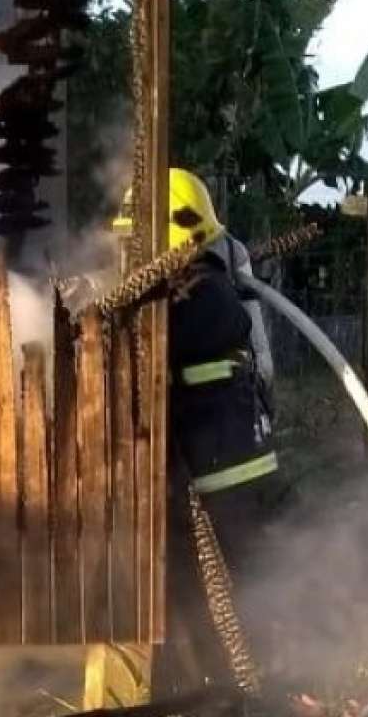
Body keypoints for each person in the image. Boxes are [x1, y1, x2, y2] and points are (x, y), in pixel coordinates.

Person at [111, 168, 282, 572]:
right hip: (227, 469)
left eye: (134, 239)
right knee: (240, 581)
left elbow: (144, 350)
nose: (129, 251)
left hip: (219, 481)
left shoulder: (200, 296)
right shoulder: (207, 287)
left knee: (219, 587)